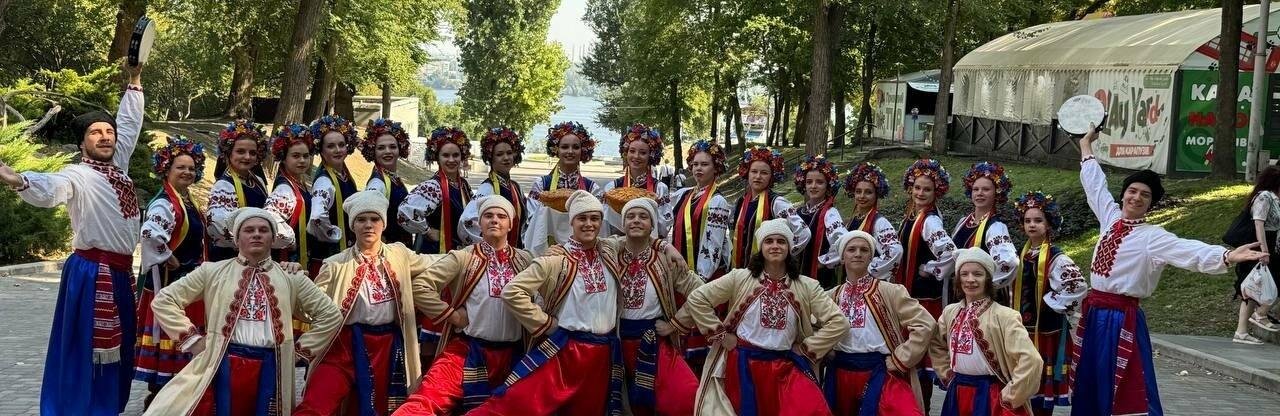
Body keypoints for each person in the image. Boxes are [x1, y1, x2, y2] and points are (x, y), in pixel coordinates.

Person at [1071, 126, 1266, 416]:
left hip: (1121, 319)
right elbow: (1094, 184)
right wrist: (1086, 146)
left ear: (1150, 204)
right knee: (1090, 380)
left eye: (1145, 195)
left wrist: (1226, 256)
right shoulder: (1110, 218)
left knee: (1124, 385)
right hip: (1094, 313)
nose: (1136, 198)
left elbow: (1188, 251)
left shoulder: (1153, 237)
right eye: (1132, 191)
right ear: (1123, 195)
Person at [0, 62, 143, 415]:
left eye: (108, 131)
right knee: (86, 350)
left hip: (121, 274)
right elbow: (53, 186)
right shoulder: (78, 174)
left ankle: (109, 407)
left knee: (120, 347)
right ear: (82, 143)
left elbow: (129, 124)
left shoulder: (119, 168)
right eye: (96, 133)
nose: (106, 137)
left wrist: (135, 80)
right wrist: (20, 180)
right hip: (91, 273)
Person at [143, 208, 344, 416]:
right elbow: (164, 300)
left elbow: (330, 315)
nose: (256, 234)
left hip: (273, 365)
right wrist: (192, 340)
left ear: (273, 238)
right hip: (223, 361)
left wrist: (300, 352)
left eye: (263, 230)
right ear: (237, 239)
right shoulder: (212, 271)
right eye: (249, 230)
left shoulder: (292, 276)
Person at [465, 190, 625, 415]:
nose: (589, 224)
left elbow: (637, 237)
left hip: (602, 354)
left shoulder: (608, 249)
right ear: (571, 222)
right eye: (582, 218)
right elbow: (512, 291)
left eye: (595, 218)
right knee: (518, 403)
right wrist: (546, 324)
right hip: (567, 350)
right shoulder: (555, 259)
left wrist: (664, 247)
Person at [676, 218, 848, 416]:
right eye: (769, 241)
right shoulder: (739, 277)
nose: (775, 246)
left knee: (811, 409)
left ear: (789, 247)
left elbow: (839, 322)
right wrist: (721, 335)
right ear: (761, 247)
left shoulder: (807, 286)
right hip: (743, 364)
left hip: (785, 366)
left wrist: (807, 348)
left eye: (781, 241)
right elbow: (698, 298)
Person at [296, 191, 439, 415]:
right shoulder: (335, 264)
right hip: (344, 345)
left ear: (383, 223)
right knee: (318, 402)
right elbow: (310, 309)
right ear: (353, 225)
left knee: (380, 407)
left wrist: (468, 256)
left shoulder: (399, 254)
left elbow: (435, 263)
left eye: (374, 219)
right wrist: (293, 279)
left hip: (388, 346)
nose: (369, 225)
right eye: (361, 219)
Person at [395, 196, 535, 415]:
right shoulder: (464, 257)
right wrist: (452, 316)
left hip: (513, 355)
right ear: (480, 223)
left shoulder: (525, 260)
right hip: (468, 351)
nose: (494, 220)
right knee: (425, 401)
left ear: (510, 224)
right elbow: (420, 286)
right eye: (488, 216)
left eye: (501, 216)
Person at [823, 230, 936, 415]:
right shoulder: (831, 296)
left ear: (871, 257)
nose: (858, 254)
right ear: (842, 257)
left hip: (880, 371)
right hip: (840, 373)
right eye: (851, 249)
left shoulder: (890, 291)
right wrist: (825, 350)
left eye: (864, 250)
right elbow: (812, 327)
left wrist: (901, 358)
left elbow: (925, 324)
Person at [135, 136, 208, 408]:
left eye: (191, 168)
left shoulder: (186, 200)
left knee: (184, 339)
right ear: (166, 169)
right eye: (181, 167)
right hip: (171, 287)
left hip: (188, 285)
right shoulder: (164, 203)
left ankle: (181, 396)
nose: (187, 172)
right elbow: (150, 233)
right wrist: (166, 255)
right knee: (172, 337)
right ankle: (161, 398)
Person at [612, 197, 703, 416]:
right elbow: (588, 243)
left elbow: (702, 292)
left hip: (654, 340)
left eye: (643, 217)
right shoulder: (611, 254)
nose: (636, 220)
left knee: (686, 395)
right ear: (623, 223)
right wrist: (664, 242)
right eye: (630, 216)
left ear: (652, 224)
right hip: (615, 341)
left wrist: (675, 324)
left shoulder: (666, 260)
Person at [928, 248, 1043, 416]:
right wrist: (947, 375)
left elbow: (1031, 360)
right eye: (964, 274)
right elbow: (937, 344)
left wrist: (1008, 396)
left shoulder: (1005, 316)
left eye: (978, 274)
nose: (970, 279)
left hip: (990, 395)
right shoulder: (950, 312)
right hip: (958, 392)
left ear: (988, 279)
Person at [1011, 191, 1086, 415]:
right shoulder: (1020, 253)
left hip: (1045, 332)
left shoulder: (1056, 257)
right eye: (1027, 221)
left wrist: (1049, 302)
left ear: (1049, 224)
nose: (1032, 225)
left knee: (1042, 393)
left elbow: (1078, 285)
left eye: (1038, 220)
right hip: (1023, 330)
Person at [898, 158, 959, 411]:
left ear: (936, 192)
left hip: (922, 300)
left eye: (927, 189)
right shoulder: (914, 215)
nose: (920, 193)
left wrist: (929, 269)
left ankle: (920, 409)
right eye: (917, 188)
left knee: (920, 362)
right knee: (913, 361)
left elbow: (950, 253)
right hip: (911, 295)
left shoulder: (930, 221)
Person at [524, 121, 603, 253]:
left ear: (583, 151)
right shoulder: (541, 185)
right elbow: (532, 222)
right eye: (565, 147)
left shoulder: (592, 188)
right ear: (556, 150)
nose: (570, 151)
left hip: (583, 251)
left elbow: (599, 224)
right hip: (548, 251)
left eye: (575, 147)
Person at [208, 119, 279, 262]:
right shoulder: (224, 186)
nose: (247, 157)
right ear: (229, 154)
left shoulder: (258, 181)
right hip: (231, 258)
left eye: (252, 153)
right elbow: (217, 225)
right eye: (240, 151)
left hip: (257, 253)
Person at [728, 146, 810, 269]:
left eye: (764, 173)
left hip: (766, 271)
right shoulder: (742, 201)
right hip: (739, 270)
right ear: (747, 173)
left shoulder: (776, 202)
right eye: (754, 171)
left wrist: (783, 254)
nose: (758, 176)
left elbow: (804, 233)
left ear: (772, 176)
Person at [400, 126, 474, 255]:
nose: (451, 160)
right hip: (436, 253)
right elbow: (405, 212)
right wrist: (427, 231)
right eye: (445, 155)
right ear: (437, 157)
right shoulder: (433, 186)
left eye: (456, 155)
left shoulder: (463, 184)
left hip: (460, 254)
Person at [952, 162, 1019, 305]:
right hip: (962, 294)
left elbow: (1010, 262)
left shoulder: (995, 227)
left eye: (986, 189)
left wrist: (985, 284)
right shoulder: (963, 222)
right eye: (975, 189)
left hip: (984, 299)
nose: (979, 193)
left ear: (997, 193)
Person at [1232, 165, 1280, 344]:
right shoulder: (1264, 197)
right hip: (1260, 245)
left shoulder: (1274, 198)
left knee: (1254, 287)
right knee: (1253, 286)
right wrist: (1264, 251)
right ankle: (1257, 317)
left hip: (1270, 245)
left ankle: (1244, 329)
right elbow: (1259, 224)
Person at [460, 127, 529, 249]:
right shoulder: (487, 188)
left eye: (509, 153)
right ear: (491, 158)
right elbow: (466, 222)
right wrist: (489, 246)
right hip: (496, 255)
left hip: (515, 253)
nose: (506, 158)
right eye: (499, 154)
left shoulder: (516, 187)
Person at [266, 124, 320, 274]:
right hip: (287, 263)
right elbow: (269, 221)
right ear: (284, 158)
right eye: (296, 156)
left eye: (306, 156)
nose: (302, 160)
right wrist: (291, 240)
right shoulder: (284, 189)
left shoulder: (298, 182)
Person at [602, 123, 673, 236]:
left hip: (649, 245)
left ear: (651, 155)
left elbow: (664, 228)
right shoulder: (612, 188)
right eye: (632, 151)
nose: (636, 156)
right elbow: (604, 225)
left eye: (643, 153)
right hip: (618, 245)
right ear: (626, 152)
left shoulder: (659, 188)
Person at [310, 115, 362, 261]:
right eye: (331, 146)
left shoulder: (344, 175)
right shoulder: (324, 181)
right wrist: (335, 234)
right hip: (331, 256)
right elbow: (317, 217)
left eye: (341, 144)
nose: (338, 150)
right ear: (321, 151)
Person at [794, 154, 846, 288]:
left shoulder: (830, 213)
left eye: (819, 182)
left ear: (828, 186)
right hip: (795, 277)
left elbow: (843, 242)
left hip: (819, 280)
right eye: (809, 182)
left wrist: (823, 261)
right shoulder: (798, 212)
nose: (813, 186)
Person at [844, 162, 903, 280]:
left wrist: (869, 269)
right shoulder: (854, 219)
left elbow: (895, 251)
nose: (862, 196)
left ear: (877, 194)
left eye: (868, 192)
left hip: (869, 283)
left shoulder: (880, 223)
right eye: (858, 191)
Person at [363, 118, 415, 246]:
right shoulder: (377, 183)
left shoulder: (392, 177)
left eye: (392, 147)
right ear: (373, 151)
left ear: (400, 149)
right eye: (381, 148)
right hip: (388, 249)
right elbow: (368, 216)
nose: (387, 151)